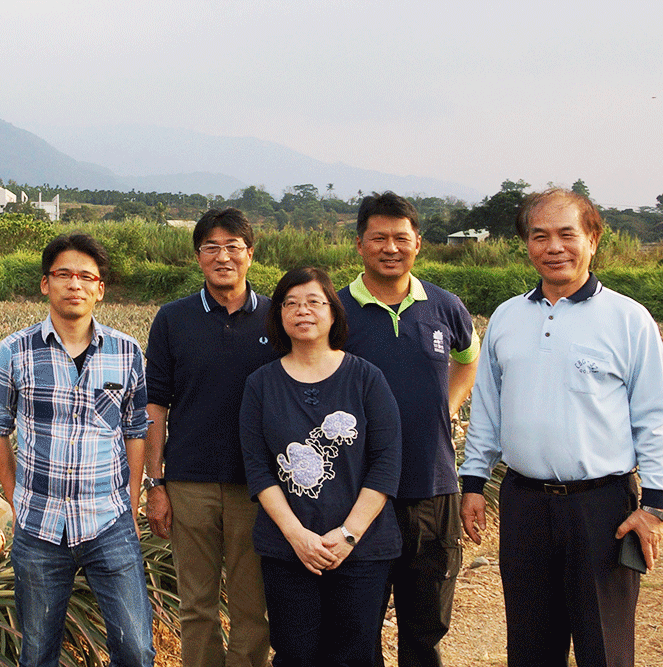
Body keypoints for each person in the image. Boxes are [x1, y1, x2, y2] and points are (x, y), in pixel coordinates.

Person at [459, 188, 663, 667]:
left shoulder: (628, 320)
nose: (554, 247)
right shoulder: (508, 317)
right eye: (540, 236)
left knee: (604, 649)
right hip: (525, 503)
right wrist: (472, 483)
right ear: (526, 245)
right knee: (530, 646)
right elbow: (487, 410)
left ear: (593, 239)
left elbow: (654, 416)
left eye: (567, 234)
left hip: (603, 509)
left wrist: (655, 506)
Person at [0, 233, 155, 667]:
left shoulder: (126, 351)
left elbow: (136, 430)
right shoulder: (15, 350)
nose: (74, 284)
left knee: (135, 649)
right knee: (38, 653)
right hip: (39, 525)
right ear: (46, 284)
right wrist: (14, 496)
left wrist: (131, 504)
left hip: (109, 520)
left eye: (85, 276)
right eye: (63, 275)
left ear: (100, 288)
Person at [337, 191, 479, 667]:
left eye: (401, 237)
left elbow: (468, 358)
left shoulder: (445, 306)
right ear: (359, 244)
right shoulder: (336, 311)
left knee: (426, 626)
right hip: (357, 494)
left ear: (418, 242)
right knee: (358, 626)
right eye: (379, 237)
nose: (390, 247)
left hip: (431, 486)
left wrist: (450, 403)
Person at [240, 267, 402, 667]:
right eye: (291, 303)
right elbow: (258, 469)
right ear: (278, 315)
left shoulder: (366, 378)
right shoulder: (260, 384)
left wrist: (347, 535)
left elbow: (387, 460)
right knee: (296, 653)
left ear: (334, 312)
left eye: (314, 302)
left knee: (356, 653)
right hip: (288, 548)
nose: (302, 311)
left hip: (362, 547)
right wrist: (297, 536)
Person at [144, 207, 275, 667]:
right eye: (212, 247)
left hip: (258, 487)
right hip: (189, 483)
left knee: (251, 607)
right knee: (196, 606)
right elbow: (155, 406)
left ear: (250, 254)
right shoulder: (172, 319)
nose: (223, 257)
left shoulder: (277, 318)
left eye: (233, 247)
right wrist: (154, 484)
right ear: (198, 257)